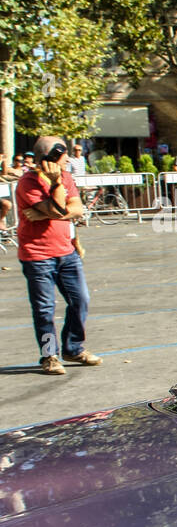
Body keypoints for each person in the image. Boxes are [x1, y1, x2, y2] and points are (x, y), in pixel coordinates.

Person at [15, 136, 101, 375]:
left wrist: (45, 213)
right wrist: (54, 188)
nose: (66, 162)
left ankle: (73, 347)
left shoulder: (66, 178)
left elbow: (75, 209)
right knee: (44, 308)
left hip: (67, 252)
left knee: (80, 300)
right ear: (50, 158)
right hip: (38, 256)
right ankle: (49, 355)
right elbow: (59, 209)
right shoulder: (28, 183)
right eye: (63, 158)